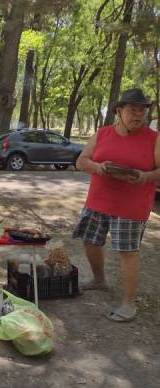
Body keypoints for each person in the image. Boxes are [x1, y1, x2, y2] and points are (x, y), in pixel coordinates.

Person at [74, 87, 160, 322]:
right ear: (119, 111)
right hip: (98, 201)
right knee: (90, 242)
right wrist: (99, 168)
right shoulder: (102, 134)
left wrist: (145, 177)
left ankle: (129, 304)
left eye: (142, 110)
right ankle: (99, 280)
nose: (138, 115)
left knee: (128, 252)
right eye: (133, 109)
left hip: (132, 207)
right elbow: (81, 161)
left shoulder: (154, 139)